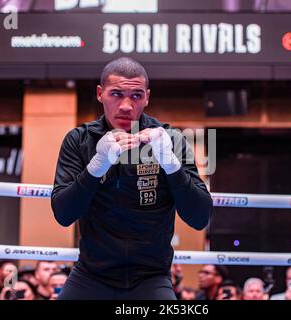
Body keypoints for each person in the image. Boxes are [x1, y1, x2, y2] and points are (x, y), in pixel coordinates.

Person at [51, 57, 213, 299]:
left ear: (147, 97)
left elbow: (200, 217)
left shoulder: (169, 140)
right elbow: (63, 214)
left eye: (136, 95)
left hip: (151, 279)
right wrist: (96, 166)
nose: (126, 105)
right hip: (91, 276)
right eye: (116, 93)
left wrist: (170, 164)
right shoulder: (79, 140)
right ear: (99, 93)